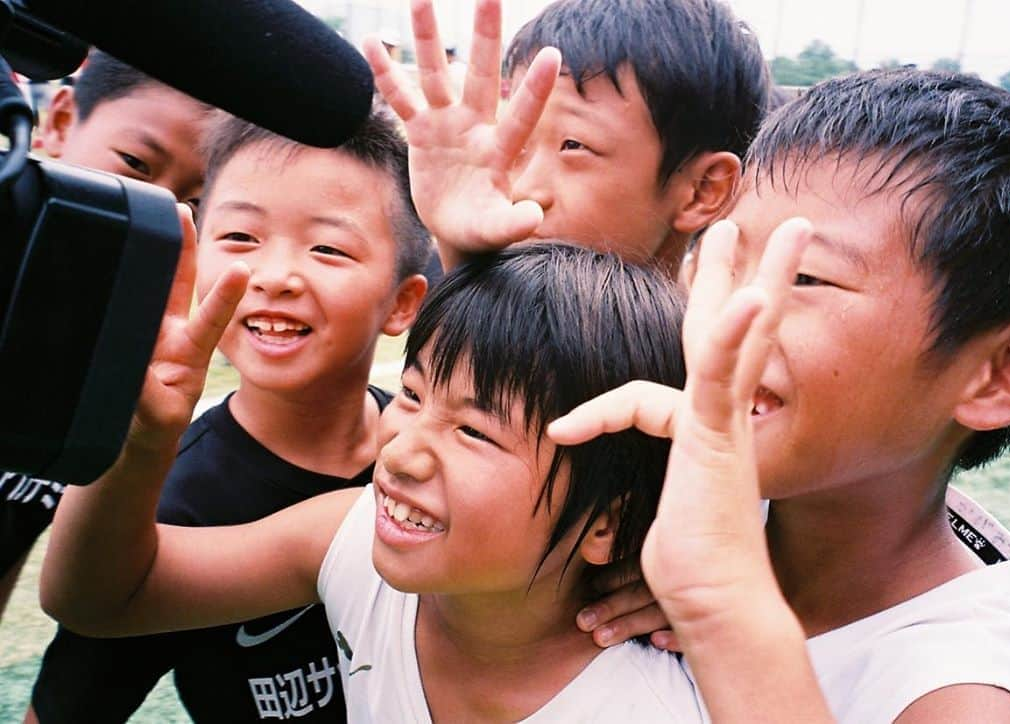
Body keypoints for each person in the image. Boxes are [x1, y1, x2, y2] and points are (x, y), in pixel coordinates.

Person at [549, 68, 1010, 722]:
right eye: (720, 262)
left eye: (802, 276)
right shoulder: (690, 480)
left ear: (1003, 373)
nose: (724, 314)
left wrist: (723, 611)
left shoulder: (963, 693)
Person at [39, 241, 707, 722]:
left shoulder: (648, 707)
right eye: (412, 395)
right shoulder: (352, 541)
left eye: (474, 431)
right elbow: (102, 598)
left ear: (605, 525)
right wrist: (139, 441)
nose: (402, 451)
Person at [28, 109, 430, 723]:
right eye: (241, 238)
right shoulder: (154, 509)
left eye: (328, 247)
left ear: (402, 301)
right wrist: (139, 443)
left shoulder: (424, 454)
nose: (273, 277)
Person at [0, 49, 209, 620]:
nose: (160, 214)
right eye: (137, 165)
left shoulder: (106, 352)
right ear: (61, 118)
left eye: (194, 201)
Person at [362, 0, 772, 279]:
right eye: (519, 146)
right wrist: (457, 250)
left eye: (573, 145)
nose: (523, 190)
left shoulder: (704, 392)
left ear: (703, 190)